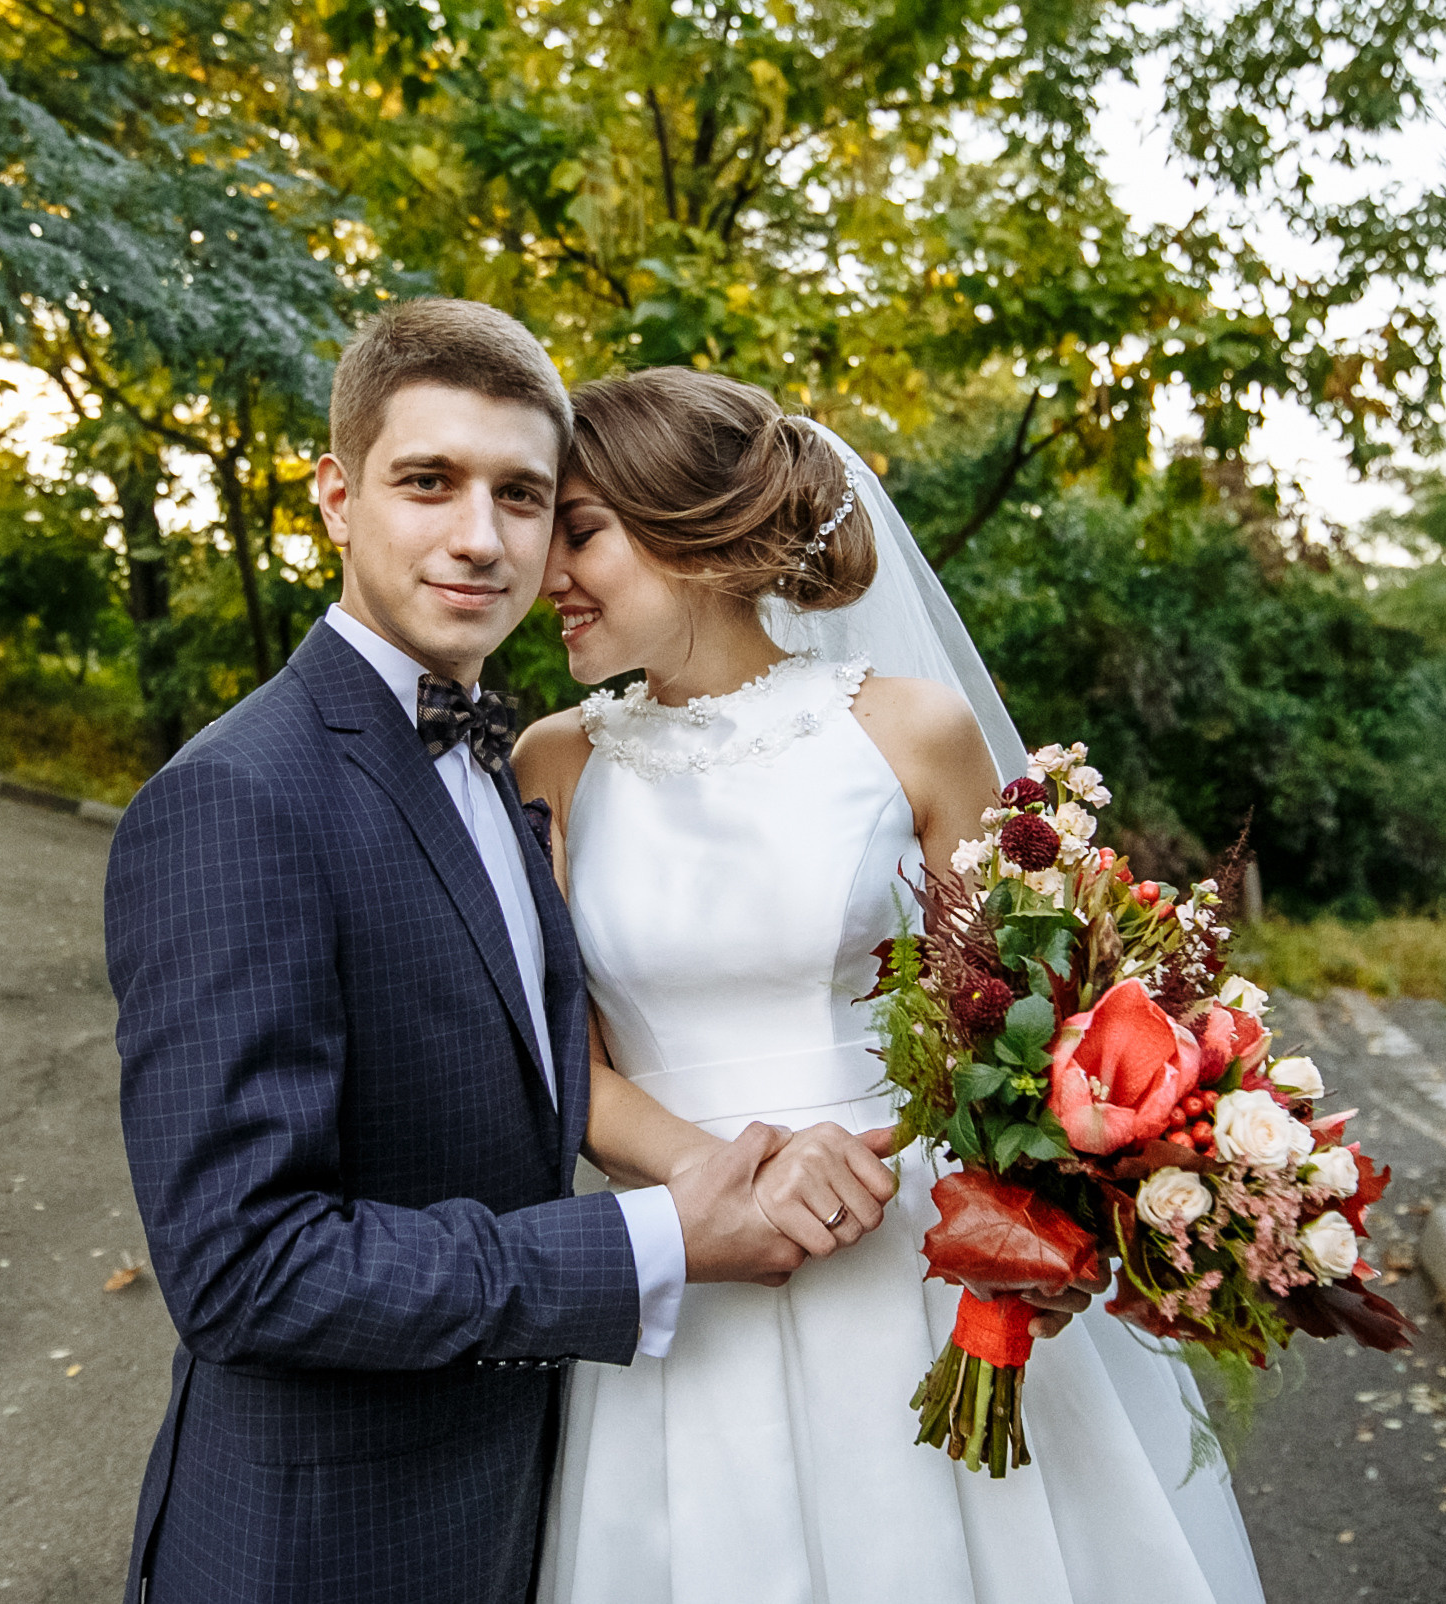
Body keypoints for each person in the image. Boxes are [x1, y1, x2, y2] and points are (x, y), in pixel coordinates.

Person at [103, 300, 885, 1604]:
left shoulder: (510, 764)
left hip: (532, 1498)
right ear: (336, 497)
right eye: (428, 482)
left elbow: (538, 1079)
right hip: (324, 1548)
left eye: (524, 496)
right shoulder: (236, 798)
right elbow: (242, 1271)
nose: (481, 537)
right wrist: (656, 1238)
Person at [516, 367, 1266, 1604]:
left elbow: (1025, 1032)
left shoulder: (911, 730)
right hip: (686, 1272)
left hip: (906, 1252)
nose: (544, 567)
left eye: (579, 527)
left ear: (698, 530)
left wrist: (1058, 1221)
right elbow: (557, 1061)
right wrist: (722, 1178)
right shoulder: (553, 758)